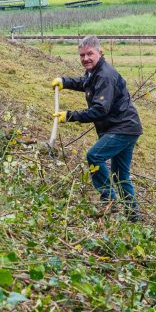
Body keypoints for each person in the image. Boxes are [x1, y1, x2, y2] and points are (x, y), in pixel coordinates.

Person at [52, 36, 143, 221]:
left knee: (94, 156)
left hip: (122, 128)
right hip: (127, 127)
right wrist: (65, 81)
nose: (85, 58)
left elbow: (100, 110)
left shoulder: (105, 75)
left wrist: (70, 116)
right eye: (82, 55)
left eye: (90, 54)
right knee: (120, 175)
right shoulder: (94, 72)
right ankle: (133, 219)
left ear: (100, 53)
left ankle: (108, 199)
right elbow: (85, 83)